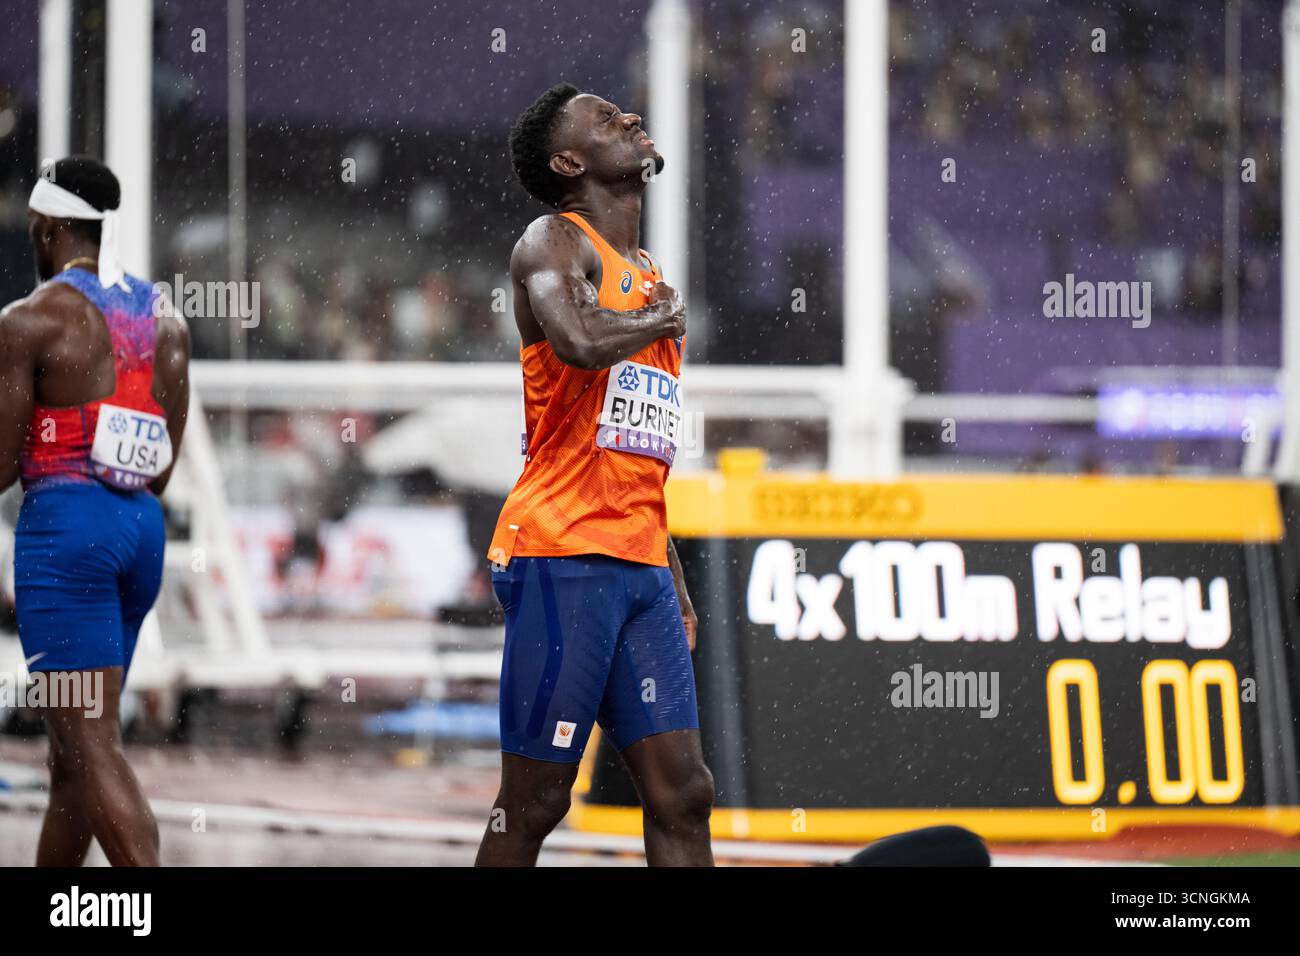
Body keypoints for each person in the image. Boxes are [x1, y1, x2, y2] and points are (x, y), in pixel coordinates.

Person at [476, 84, 713, 866]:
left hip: (638, 563)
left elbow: (633, 456)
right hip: (562, 557)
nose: (633, 118)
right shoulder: (553, 241)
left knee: (684, 794)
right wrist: (661, 318)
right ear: (569, 160)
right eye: (609, 119)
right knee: (535, 801)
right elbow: (576, 337)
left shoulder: (648, 274)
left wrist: (670, 572)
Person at [0, 156, 190, 866]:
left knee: (87, 745)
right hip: (139, 532)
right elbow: (163, 463)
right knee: (72, 760)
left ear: (46, 226)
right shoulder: (163, 316)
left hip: (66, 534)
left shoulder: (28, 320)